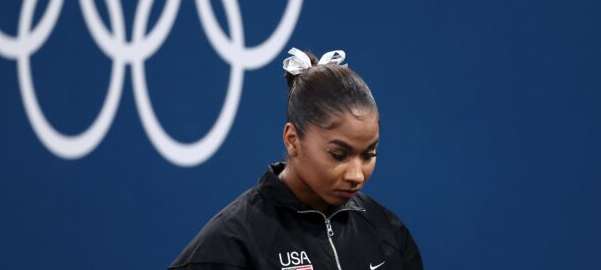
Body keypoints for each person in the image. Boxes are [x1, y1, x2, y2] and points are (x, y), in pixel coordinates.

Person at [169, 48, 423, 270]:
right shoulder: (229, 248)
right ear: (292, 140)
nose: (356, 175)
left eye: (369, 155)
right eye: (338, 155)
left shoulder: (388, 233)